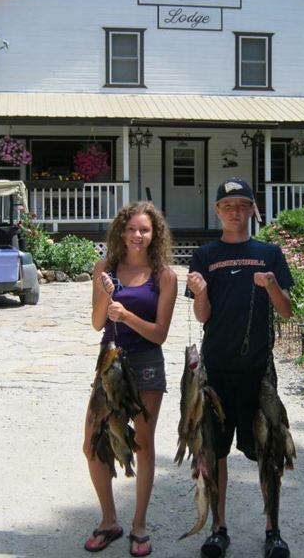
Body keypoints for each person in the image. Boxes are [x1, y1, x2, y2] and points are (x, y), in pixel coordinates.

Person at [186, 177, 294, 558]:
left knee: (269, 451)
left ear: (251, 210)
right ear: (217, 211)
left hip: (258, 371)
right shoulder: (205, 255)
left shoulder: (270, 252)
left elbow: (287, 310)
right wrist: (200, 292)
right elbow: (204, 315)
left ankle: (273, 530)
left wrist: (270, 286)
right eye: (227, 206)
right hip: (216, 369)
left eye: (242, 205)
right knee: (214, 451)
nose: (235, 211)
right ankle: (218, 528)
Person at [83, 201, 178, 557]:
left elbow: (159, 334)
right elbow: (96, 323)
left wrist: (125, 316)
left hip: (147, 363)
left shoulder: (164, 275)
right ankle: (109, 520)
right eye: (132, 229)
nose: (137, 235)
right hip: (110, 361)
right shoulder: (105, 267)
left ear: (155, 235)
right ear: (121, 231)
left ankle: (139, 525)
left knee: (141, 443)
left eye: (145, 230)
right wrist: (106, 295)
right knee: (93, 440)